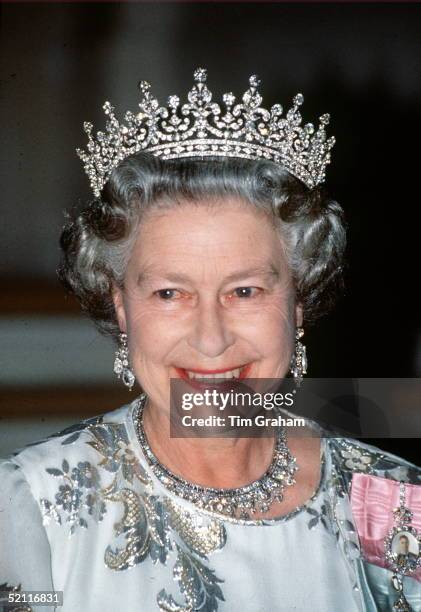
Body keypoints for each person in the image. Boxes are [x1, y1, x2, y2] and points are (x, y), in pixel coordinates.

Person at [1, 68, 420, 612]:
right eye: (170, 294)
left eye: (244, 291)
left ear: (297, 302)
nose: (211, 339)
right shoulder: (27, 506)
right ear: (121, 306)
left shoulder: (396, 502)